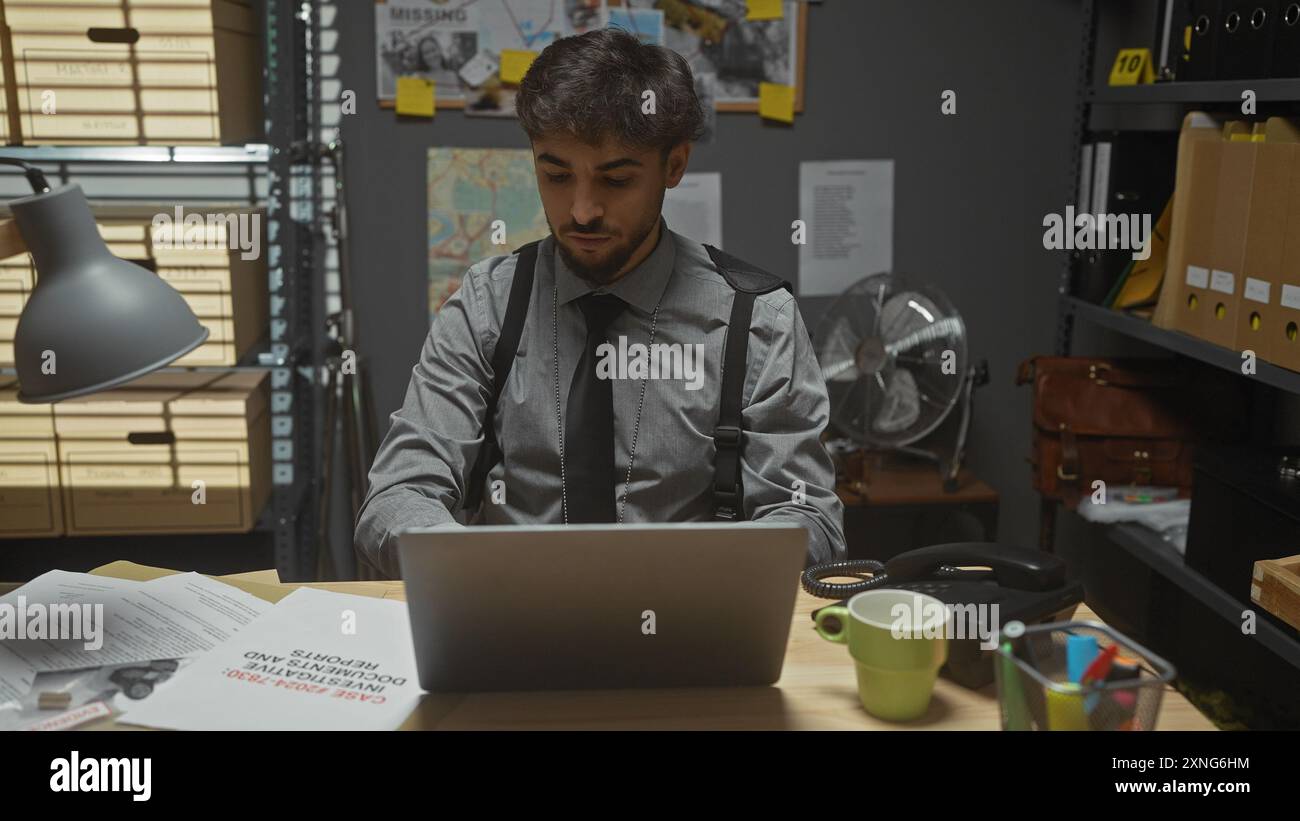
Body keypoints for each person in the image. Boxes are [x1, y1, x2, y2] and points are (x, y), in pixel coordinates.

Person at [354, 28, 845, 578]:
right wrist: (468, 565)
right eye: (556, 174)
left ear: (674, 166)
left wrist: (695, 574)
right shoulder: (486, 305)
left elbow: (807, 517)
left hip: (692, 623)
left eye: (616, 179)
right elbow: (397, 495)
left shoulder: (757, 320)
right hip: (512, 618)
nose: (582, 211)